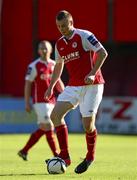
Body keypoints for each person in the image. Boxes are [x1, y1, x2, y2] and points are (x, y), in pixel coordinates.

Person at [44, 10, 108, 174]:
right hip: (74, 86)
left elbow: (102, 53)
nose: (61, 29)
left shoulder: (84, 35)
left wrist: (93, 73)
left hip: (92, 85)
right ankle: (65, 156)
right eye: (58, 26)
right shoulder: (59, 44)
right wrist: (51, 87)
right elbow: (59, 66)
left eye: (64, 25)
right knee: (55, 116)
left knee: (88, 125)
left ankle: (90, 157)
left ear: (71, 22)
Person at [18, 40, 64, 161]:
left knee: (44, 128)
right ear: (38, 51)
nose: (43, 50)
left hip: (53, 101)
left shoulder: (54, 64)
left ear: (51, 50)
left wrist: (66, 95)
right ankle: (57, 155)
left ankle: (24, 151)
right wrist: (27, 102)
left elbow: (58, 82)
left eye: (46, 48)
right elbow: (28, 84)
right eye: (41, 48)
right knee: (49, 126)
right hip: (40, 102)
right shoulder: (33, 66)